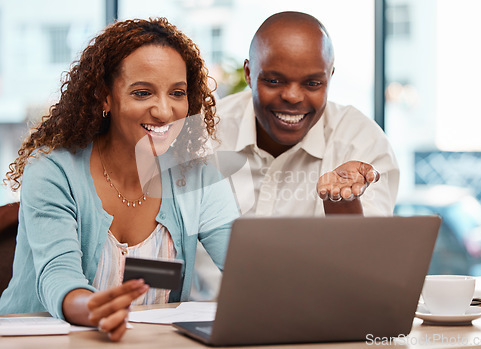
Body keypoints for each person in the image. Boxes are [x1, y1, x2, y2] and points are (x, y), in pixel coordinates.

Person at [0, 18, 239, 341]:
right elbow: (58, 275)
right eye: (143, 93)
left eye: (177, 93)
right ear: (105, 97)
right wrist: (93, 308)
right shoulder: (53, 170)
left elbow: (243, 268)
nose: (165, 112)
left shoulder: (197, 173)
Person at [216, 11, 399, 217]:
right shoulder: (206, 133)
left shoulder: (362, 142)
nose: (293, 97)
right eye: (274, 81)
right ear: (249, 74)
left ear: (329, 78)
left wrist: (342, 203)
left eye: (313, 83)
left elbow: (372, 246)